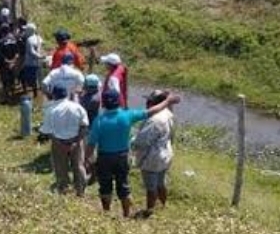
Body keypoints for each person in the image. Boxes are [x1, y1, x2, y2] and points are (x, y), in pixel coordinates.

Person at [87, 89, 181, 218]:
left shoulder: (98, 120)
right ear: (119, 102)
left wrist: (89, 161)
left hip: (104, 158)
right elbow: (151, 111)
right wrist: (168, 102)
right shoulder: (127, 115)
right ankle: (126, 214)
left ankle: (106, 213)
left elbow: (91, 145)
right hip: (122, 157)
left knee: (105, 187)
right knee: (123, 187)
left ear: (103, 103)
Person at [132, 90, 176, 214]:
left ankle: (149, 212)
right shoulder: (168, 113)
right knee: (161, 183)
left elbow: (142, 142)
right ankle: (162, 206)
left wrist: (132, 142)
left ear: (153, 103)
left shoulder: (155, 120)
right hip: (165, 154)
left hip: (152, 158)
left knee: (151, 187)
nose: (146, 103)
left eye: (149, 101)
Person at [40, 84, 89, 196]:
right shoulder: (78, 107)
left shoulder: (51, 110)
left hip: (58, 143)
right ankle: (81, 192)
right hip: (76, 141)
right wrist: (75, 142)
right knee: (79, 166)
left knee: (60, 169)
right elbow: (85, 127)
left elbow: (48, 132)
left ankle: (63, 192)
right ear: (66, 94)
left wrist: (61, 144)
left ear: (54, 95)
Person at [0, 24, 20, 103]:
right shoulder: (14, 40)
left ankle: (7, 98)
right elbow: (17, 53)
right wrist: (13, 62)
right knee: (12, 80)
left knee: (5, 81)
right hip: (13, 63)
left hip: (4, 65)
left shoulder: (0, 42)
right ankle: (13, 96)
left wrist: (7, 61)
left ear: (1, 32)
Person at [20, 23, 43, 99]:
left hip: (30, 63)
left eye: (26, 30)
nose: (25, 31)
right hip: (39, 62)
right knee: (39, 79)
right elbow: (41, 47)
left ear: (29, 31)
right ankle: (39, 95)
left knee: (30, 80)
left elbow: (31, 52)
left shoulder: (29, 40)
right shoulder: (39, 38)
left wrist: (38, 56)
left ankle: (34, 95)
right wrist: (41, 57)